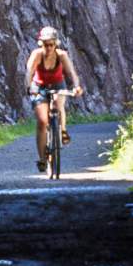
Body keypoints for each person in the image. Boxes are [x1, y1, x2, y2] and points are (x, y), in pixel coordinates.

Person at [27, 25, 84, 173]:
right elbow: (29, 72)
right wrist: (29, 88)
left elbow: (72, 73)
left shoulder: (62, 55)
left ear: (56, 43)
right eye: (45, 44)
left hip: (58, 84)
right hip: (39, 86)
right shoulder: (37, 54)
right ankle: (42, 159)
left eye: (51, 44)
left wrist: (76, 86)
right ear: (41, 44)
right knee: (42, 121)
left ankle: (63, 130)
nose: (48, 47)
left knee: (59, 105)